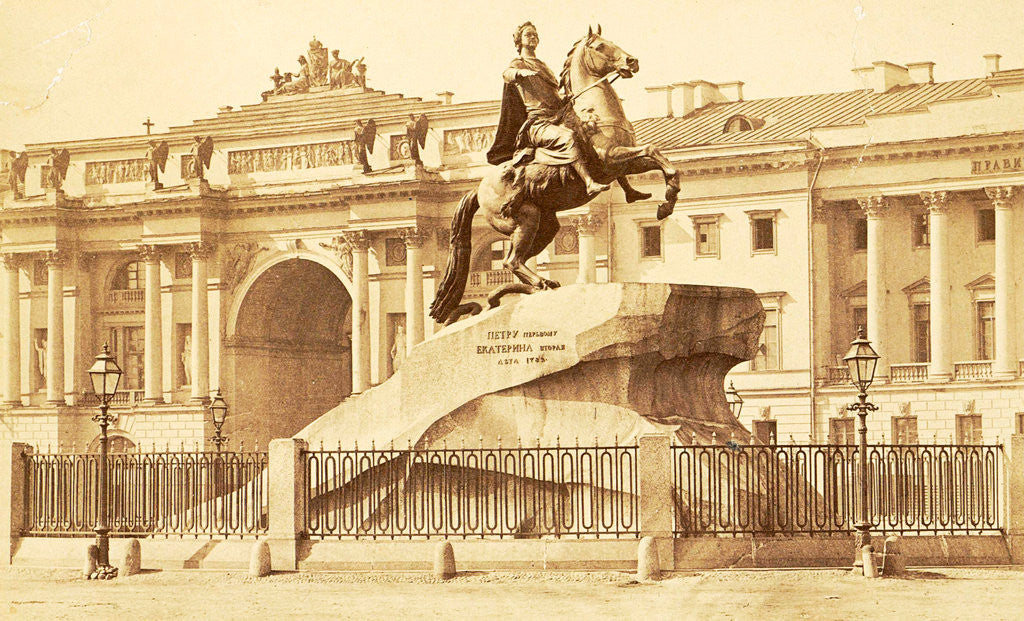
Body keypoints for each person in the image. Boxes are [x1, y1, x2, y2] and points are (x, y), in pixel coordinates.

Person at [488, 21, 609, 197]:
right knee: (568, 137)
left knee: (594, 134)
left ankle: (627, 187)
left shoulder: (544, 66)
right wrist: (519, 73)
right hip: (538, 124)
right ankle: (589, 183)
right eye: (528, 34)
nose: (533, 37)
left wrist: (565, 99)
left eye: (535, 34)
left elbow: (553, 96)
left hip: (556, 117)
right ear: (519, 41)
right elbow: (507, 74)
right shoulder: (519, 63)